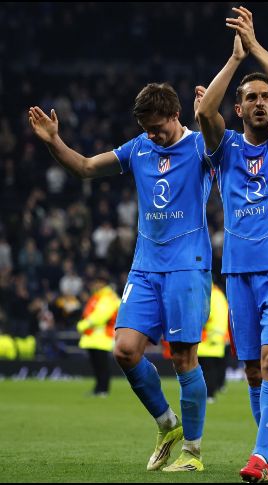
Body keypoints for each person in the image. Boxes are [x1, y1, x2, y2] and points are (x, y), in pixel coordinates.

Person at [28, 82, 216, 472]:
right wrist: (53, 141)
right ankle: (167, 425)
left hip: (187, 264)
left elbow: (217, 135)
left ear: (175, 116)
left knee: (183, 357)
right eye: (146, 128)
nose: (152, 135)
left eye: (158, 128)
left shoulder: (200, 146)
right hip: (145, 266)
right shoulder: (139, 148)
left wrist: (208, 113)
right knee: (125, 350)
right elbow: (83, 168)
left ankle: (193, 453)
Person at [196, 6, 268, 482]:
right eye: (253, 98)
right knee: (250, 370)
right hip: (240, 270)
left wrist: (257, 47)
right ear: (240, 109)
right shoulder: (224, 150)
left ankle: (258, 457)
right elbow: (205, 112)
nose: (264, 102)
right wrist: (234, 59)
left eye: (267, 96)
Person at [76, 274, 120, 397]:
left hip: (102, 337)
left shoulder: (107, 297)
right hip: (93, 337)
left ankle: (103, 390)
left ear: (103, 283)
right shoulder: (99, 296)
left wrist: (82, 325)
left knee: (102, 366)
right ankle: (98, 389)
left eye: (97, 282)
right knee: (97, 366)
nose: (95, 285)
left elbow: (100, 316)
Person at [198, 283, 229, 403]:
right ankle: (216, 389)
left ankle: (208, 394)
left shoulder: (208, 295)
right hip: (219, 338)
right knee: (216, 368)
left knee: (206, 369)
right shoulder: (220, 295)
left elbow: (205, 314)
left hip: (207, 339)